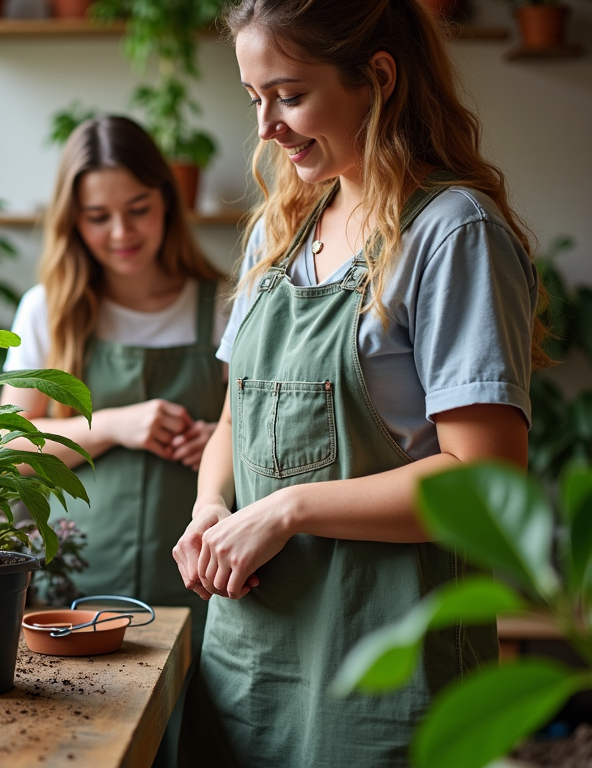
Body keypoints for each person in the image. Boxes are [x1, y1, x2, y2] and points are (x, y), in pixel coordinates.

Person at [171, 1, 546, 767]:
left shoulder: (451, 233)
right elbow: (237, 421)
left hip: (383, 669)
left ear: (377, 78)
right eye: (256, 100)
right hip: (249, 662)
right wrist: (214, 505)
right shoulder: (282, 231)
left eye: (290, 94)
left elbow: (484, 481)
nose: (267, 126)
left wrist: (288, 509)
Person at [0, 115, 228, 642]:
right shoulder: (47, 311)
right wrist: (111, 426)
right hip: (69, 595)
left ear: (167, 200)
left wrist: (220, 440)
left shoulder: (221, 304)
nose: (121, 233)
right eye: (98, 217)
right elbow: (11, 450)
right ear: (72, 220)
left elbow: (260, 432)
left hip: (203, 591)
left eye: (138, 210)